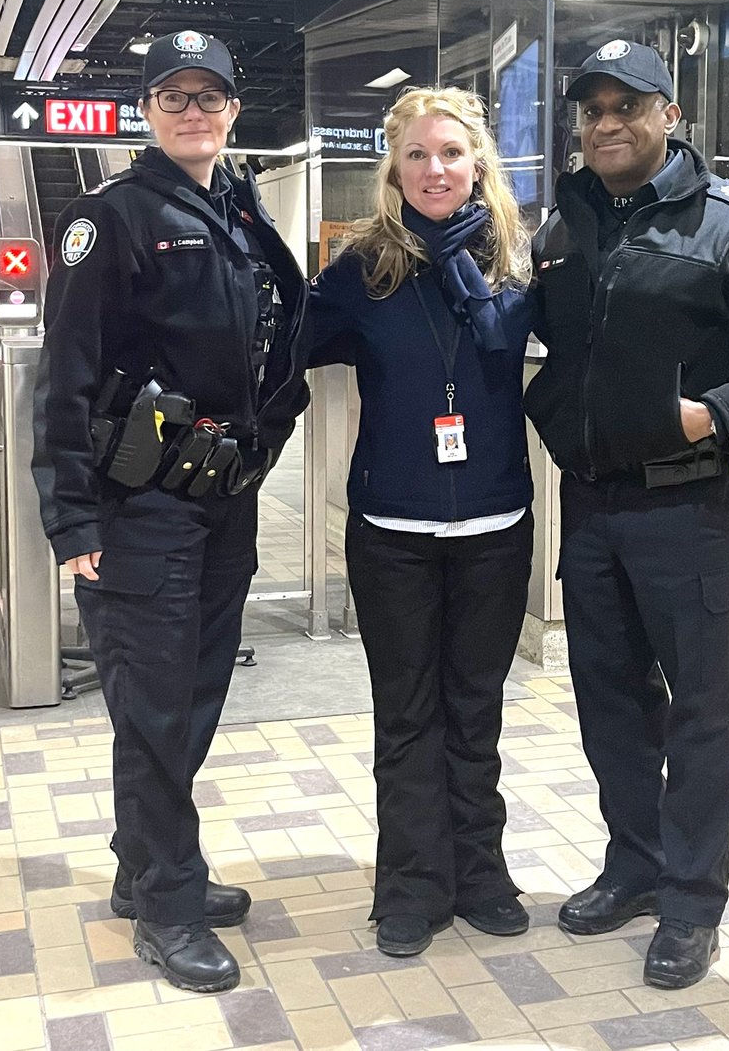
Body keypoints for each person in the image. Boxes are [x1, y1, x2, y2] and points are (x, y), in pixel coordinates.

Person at [524, 40, 729, 989]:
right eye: (592, 110)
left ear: (669, 115)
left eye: (628, 106)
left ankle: (694, 902)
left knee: (701, 711)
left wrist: (714, 414)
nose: (607, 124)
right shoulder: (566, 223)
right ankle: (635, 867)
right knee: (611, 701)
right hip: (591, 505)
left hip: (688, 509)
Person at [32, 30, 310, 993]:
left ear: (233, 109)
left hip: (221, 499)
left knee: (191, 697)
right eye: (173, 96)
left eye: (210, 96)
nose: (194, 111)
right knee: (154, 709)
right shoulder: (110, 217)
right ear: (147, 110)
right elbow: (64, 375)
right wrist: (72, 519)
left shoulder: (240, 207)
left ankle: (142, 863)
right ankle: (169, 904)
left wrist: (268, 437)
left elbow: (276, 337)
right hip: (139, 506)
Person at [311, 86, 536, 957]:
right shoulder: (363, 268)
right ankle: (409, 886)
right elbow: (285, 342)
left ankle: (480, 873)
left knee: (475, 710)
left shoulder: (515, 262)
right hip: (392, 529)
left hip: (494, 523)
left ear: (477, 163)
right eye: (416, 155)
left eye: (449, 153)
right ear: (394, 168)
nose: (433, 170)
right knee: (405, 715)